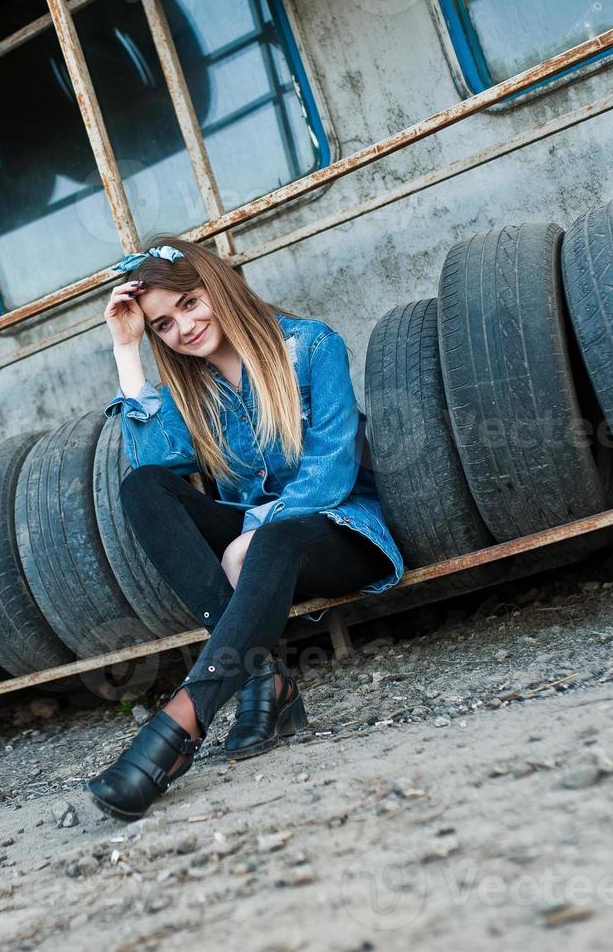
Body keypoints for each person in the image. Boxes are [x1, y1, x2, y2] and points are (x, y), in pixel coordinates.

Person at [87, 236, 405, 821]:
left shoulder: (311, 346)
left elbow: (332, 472)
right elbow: (155, 463)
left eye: (188, 303)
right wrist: (126, 352)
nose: (182, 328)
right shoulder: (194, 390)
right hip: (255, 548)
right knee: (143, 490)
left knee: (276, 537)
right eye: (162, 325)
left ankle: (179, 725)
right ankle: (264, 675)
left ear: (216, 286)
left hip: (336, 530)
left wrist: (255, 533)